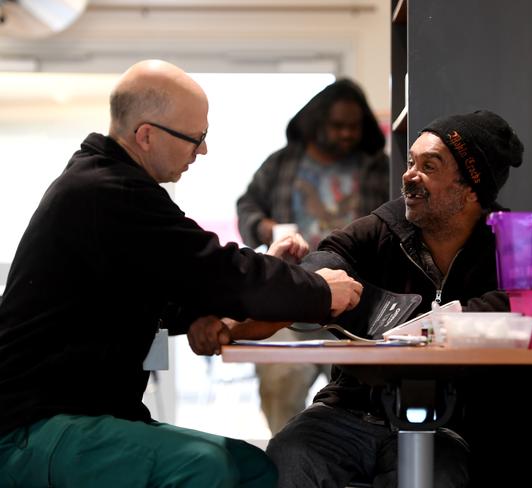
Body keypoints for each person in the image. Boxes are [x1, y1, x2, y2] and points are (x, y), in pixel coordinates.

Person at [0, 59, 363, 488]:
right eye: (196, 138)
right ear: (147, 135)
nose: (202, 151)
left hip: (82, 414)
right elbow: (214, 269)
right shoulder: (107, 191)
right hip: (32, 425)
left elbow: (172, 281)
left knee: (255, 469)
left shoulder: (112, 186)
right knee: (206, 466)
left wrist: (200, 317)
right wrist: (321, 291)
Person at [265, 110, 532, 487]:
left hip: (447, 421)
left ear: (471, 187)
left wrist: (418, 321)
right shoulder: (382, 227)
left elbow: (527, 305)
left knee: (438, 477)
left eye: (430, 166)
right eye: (411, 162)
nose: (409, 175)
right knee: (289, 456)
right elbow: (326, 260)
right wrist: (319, 280)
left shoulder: (511, 244)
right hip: (349, 409)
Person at [236, 78, 389, 435]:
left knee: (366, 392)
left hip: (359, 300)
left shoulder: (377, 167)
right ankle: (286, 456)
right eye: (337, 126)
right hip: (290, 297)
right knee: (281, 378)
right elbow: (247, 205)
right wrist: (265, 227)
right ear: (316, 123)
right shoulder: (282, 164)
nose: (347, 134)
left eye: (354, 127)